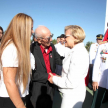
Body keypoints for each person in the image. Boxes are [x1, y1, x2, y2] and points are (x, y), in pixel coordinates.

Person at [49, 25, 89, 108]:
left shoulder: (78, 53)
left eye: (66, 36)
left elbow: (71, 83)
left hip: (72, 95)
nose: (64, 39)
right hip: (71, 93)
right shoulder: (75, 51)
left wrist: (53, 79)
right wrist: (59, 77)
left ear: (75, 37)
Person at [0, 13, 35, 108]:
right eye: (31, 28)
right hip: (10, 99)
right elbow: (9, 82)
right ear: (22, 28)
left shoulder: (19, 47)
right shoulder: (12, 48)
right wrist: (21, 106)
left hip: (18, 95)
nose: (32, 31)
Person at [30, 25, 62, 108]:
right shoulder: (31, 49)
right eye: (48, 38)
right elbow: (30, 74)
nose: (51, 39)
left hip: (51, 87)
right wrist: (48, 76)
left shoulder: (52, 47)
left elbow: (59, 61)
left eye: (51, 36)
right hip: (37, 88)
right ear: (39, 40)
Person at [91, 33, 108, 108]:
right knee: (96, 102)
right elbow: (97, 63)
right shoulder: (102, 46)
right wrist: (94, 79)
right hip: (101, 79)